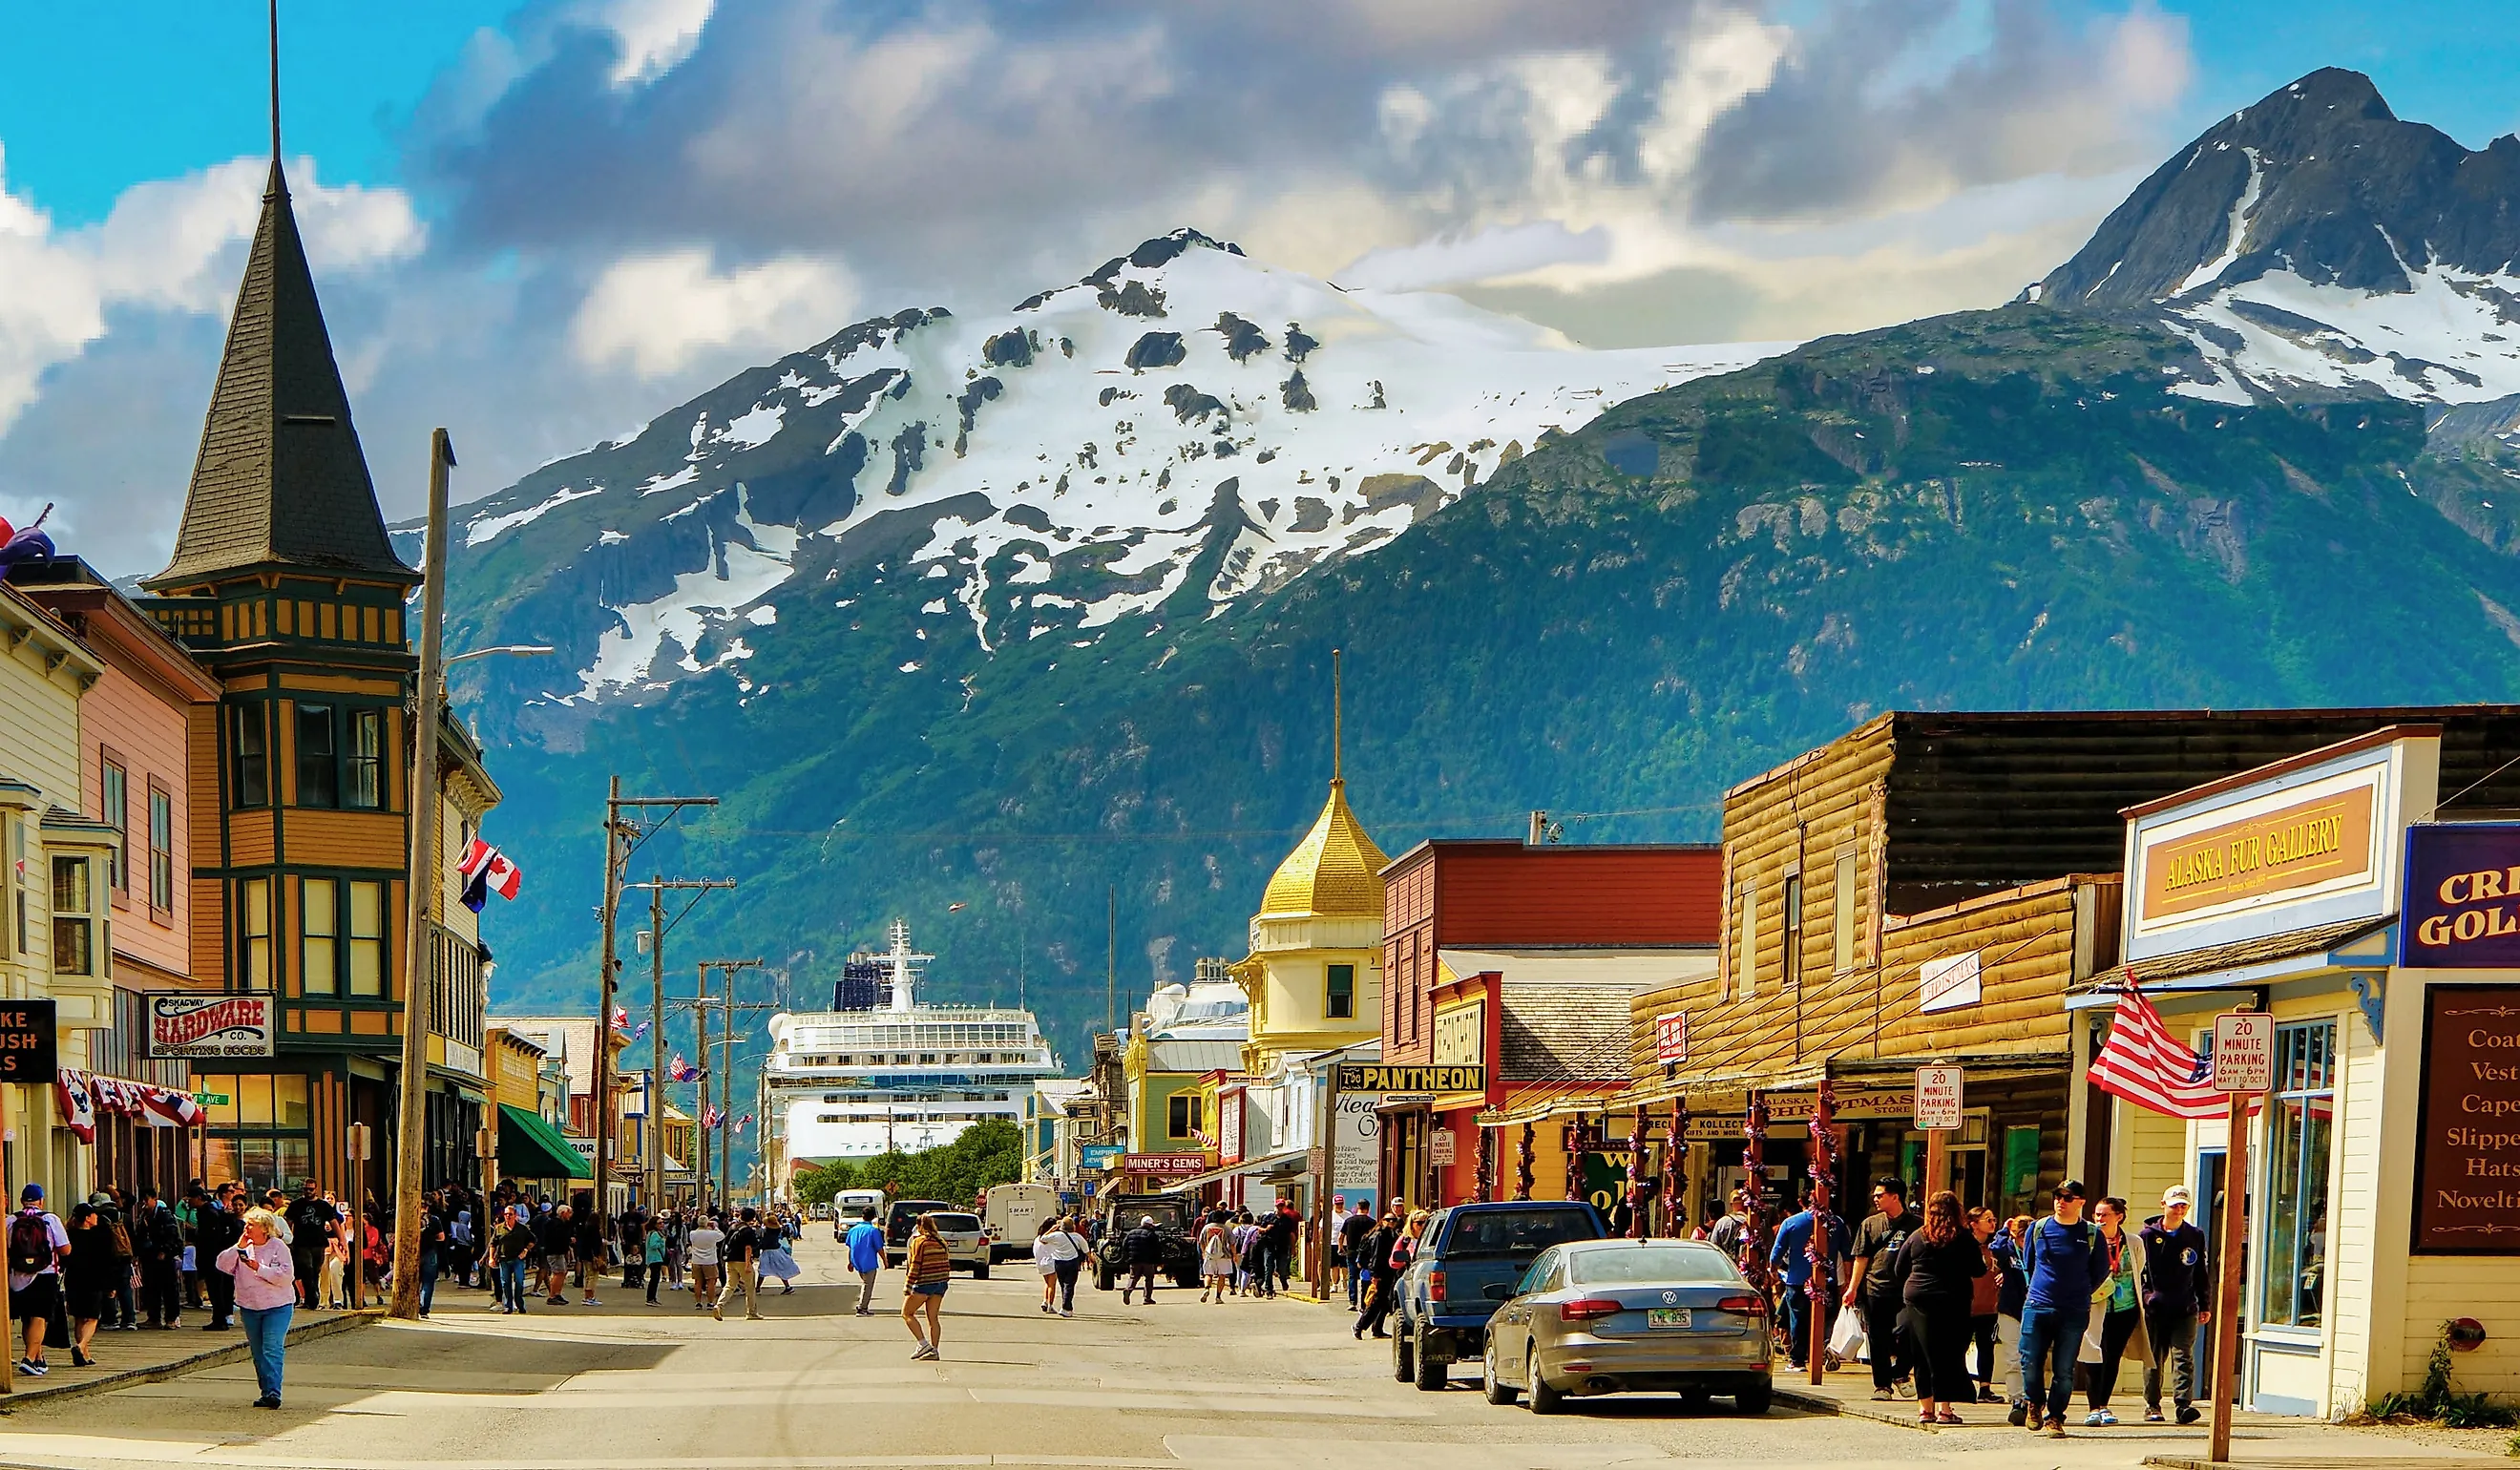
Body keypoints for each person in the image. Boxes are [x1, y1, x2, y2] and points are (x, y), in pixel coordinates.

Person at [2016, 1180, 2108, 1438]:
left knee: (2064, 1369)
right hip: (2038, 1304)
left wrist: (2079, 1291)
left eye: (2068, 1197)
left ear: (2080, 1202)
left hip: (2074, 1310)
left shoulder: (2092, 1234)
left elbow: (2100, 1270)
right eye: (2057, 1196)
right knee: (2030, 1360)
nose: (2061, 1201)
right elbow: (2029, 1264)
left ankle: (2055, 1416)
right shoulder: (2039, 1228)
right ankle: (2034, 1401)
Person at [1891, 1189, 1984, 1426]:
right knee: (1949, 1354)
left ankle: (1925, 1409)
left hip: (1918, 1298)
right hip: (1953, 1299)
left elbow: (1899, 1269)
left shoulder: (1917, 1236)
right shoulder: (1964, 1238)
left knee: (1922, 1353)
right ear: (1957, 1211)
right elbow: (1978, 1270)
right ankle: (1945, 1409)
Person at [1845, 1177, 1922, 1400]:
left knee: (1908, 1332)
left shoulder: (1916, 1225)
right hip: (1875, 1288)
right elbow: (1861, 1258)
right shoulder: (1870, 1224)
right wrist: (1852, 1289)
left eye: (1880, 1195)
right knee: (1878, 1339)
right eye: (1875, 1195)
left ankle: (1899, 1373)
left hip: (1906, 1290)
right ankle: (1882, 1385)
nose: (1875, 1198)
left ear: (1895, 1197)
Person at [2082, 1195, 2153, 1427]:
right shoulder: (2088, 1240)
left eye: (2104, 1214)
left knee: (2112, 1357)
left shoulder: (2133, 1242)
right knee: (2094, 1353)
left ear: (2119, 1217)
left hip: (2125, 1308)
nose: (2099, 1219)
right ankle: (2093, 1407)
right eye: (2096, 1214)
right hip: (2096, 1306)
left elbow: (2138, 1267)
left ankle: (2104, 1405)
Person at [2140, 1186, 2209, 1425]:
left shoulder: (2195, 1235)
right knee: (2154, 1359)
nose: (2179, 1210)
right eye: (2174, 1205)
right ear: (2163, 1205)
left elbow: (2200, 1272)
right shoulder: (2147, 1236)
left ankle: (2183, 1405)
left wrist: (2204, 1303)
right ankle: (2152, 1404)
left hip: (2185, 1307)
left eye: (2183, 1206)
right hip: (2156, 1308)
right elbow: (2139, 1272)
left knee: (2183, 1356)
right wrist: (2148, 1296)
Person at [219, 1208, 298, 1409]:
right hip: (250, 1306)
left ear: (264, 1228)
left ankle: (273, 1393)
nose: (247, 1228)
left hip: (278, 1306)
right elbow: (222, 1265)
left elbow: (286, 1277)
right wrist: (239, 1247)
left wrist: (258, 1268)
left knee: (272, 1348)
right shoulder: (243, 1247)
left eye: (251, 1225)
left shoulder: (279, 1247)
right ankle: (265, 1392)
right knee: (258, 1352)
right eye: (246, 1224)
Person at [1770, 1183, 1852, 1370]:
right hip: (1826, 1279)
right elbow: (1847, 1254)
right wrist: (1846, 1280)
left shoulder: (1791, 1223)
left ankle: (1798, 1360)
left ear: (1801, 1202)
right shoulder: (1836, 1223)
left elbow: (1777, 1252)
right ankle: (1825, 1349)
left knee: (1798, 1320)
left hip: (1797, 1280)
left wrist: (1773, 1271)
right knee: (1825, 1320)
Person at [195, 1183, 245, 1331]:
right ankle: (223, 1316)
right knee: (221, 1287)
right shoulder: (216, 1211)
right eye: (230, 1191)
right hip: (220, 1255)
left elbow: (211, 1236)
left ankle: (221, 1318)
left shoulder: (210, 1213)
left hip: (215, 1255)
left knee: (218, 1288)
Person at [1965, 1208, 2004, 1402]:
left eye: (1993, 1219)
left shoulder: (1995, 1248)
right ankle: (1961, 1385)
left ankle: (1985, 1388)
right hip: (1965, 1305)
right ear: (1973, 1224)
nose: (1992, 1223)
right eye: (1987, 1219)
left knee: (1986, 1346)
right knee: (1959, 1346)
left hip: (1989, 1306)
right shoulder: (1964, 1246)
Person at [901, 1214, 952, 1360]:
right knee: (933, 1318)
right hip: (940, 1283)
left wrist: (908, 1285)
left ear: (919, 1227)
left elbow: (915, 1265)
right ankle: (934, 1350)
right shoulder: (941, 1241)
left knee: (907, 1313)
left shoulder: (919, 1242)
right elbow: (946, 1263)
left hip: (924, 1283)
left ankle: (922, 1343)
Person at [134, 1187, 184, 1330]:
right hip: (148, 1255)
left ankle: (172, 1318)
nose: (144, 1204)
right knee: (151, 1287)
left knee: (169, 1288)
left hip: (164, 1255)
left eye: (146, 1200)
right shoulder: (143, 1216)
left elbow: (172, 1234)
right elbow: (140, 1236)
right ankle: (154, 1317)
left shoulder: (164, 1214)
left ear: (154, 1199)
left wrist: (165, 1250)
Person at [1352, 1206, 1404, 1339]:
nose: (1391, 1222)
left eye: (1393, 1220)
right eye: (1388, 1220)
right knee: (1376, 1302)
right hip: (1380, 1273)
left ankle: (1377, 1329)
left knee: (1386, 1302)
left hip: (1389, 1272)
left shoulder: (1391, 1235)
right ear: (1382, 1221)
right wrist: (1375, 1275)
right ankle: (1359, 1326)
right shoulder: (1379, 1235)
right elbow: (1376, 1257)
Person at [283, 1183, 334, 1309]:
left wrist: (342, 1240)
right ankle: (312, 1298)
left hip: (319, 1243)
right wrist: (286, 1239)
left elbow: (334, 1222)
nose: (308, 1191)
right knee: (307, 1269)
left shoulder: (323, 1205)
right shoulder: (296, 1205)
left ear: (316, 1189)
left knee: (315, 1271)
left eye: (311, 1189)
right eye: (306, 1189)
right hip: (301, 1243)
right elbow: (288, 1222)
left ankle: (311, 1298)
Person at [723, 1208, 765, 1321]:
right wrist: (747, 1265)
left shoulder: (732, 1227)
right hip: (743, 1260)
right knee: (750, 1287)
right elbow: (748, 1248)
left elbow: (725, 1242)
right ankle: (751, 1312)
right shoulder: (748, 1231)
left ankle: (719, 1306)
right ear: (752, 1218)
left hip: (730, 1260)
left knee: (730, 1285)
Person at [1043, 1214, 1088, 1317]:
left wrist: (1052, 1229)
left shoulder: (1057, 1235)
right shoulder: (1077, 1237)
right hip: (1072, 1263)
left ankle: (1066, 1307)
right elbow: (1086, 1251)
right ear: (1073, 1226)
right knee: (1069, 1285)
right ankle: (1066, 1308)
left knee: (1063, 1285)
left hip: (1059, 1263)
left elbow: (1043, 1239)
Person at [493, 1207, 535, 1313]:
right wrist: (491, 1258)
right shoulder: (499, 1228)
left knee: (519, 1282)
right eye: (506, 1214)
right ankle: (508, 1306)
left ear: (515, 1215)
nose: (508, 1216)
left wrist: (525, 1250)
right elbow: (493, 1244)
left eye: (510, 1214)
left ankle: (519, 1303)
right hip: (504, 1259)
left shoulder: (522, 1228)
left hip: (517, 1259)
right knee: (506, 1283)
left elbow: (532, 1240)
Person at [845, 1208, 884, 1316]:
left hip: (857, 1261)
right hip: (869, 1261)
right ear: (873, 1217)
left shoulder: (853, 1230)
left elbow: (851, 1247)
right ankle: (862, 1308)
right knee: (868, 1285)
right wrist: (885, 1261)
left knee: (865, 1283)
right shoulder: (873, 1231)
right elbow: (879, 1248)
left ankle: (863, 1306)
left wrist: (850, 1262)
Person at [1119, 1214, 1165, 1306]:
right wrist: (1159, 1261)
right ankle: (1147, 1298)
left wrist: (1127, 1258)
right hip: (1148, 1261)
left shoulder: (1130, 1233)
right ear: (1149, 1225)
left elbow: (1124, 1247)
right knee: (1149, 1278)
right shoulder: (1151, 1235)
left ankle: (1128, 1289)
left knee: (1133, 1277)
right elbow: (1157, 1249)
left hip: (1134, 1260)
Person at [1337, 1201, 1375, 1309]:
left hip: (1352, 1252)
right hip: (1367, 1253)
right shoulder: (1372, 1222)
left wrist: (1341, 1248)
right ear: (1368, 1208)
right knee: (1366, 1277)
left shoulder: (1349, 1221)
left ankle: (1353, 1301)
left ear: (1358, 1207)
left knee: (1352, 1276)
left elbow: (1340, 1236)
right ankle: (1365, 1302)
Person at [686, 1213, 725, 1313]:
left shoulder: (692, 1234)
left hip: (696, 1260)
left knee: (698, 1282)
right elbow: (722, 1236)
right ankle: (710, 1302)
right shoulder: (712, 1234)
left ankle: (698, 1302)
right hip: (710, 1260)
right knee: (711, 1282)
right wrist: (715, 1227)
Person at [1197, 1209, 1236, 1304]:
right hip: (1224, 1255)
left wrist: (1204, 1252)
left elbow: (1201, 1241)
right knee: (1221, 1276)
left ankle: (1207, 1289)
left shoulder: (1206, 1228)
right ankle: (1218, 1297)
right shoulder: (1226, 1229)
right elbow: (1232, 1243)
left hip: (1209, 1255)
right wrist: (1234, 1255)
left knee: (1208, 1274)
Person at [759, 1212, 801, 1295]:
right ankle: (788, 1287)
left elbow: (764, 1243)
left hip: (769, 1252)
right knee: (779, 1269)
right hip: (777, 1251)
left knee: (763, 1270)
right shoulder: (776, 1230)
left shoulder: (768, 1233)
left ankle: (757, 1288)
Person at [643, 1217, 668, 1305]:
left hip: (656, 1258)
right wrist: (662, 1241)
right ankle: (650, 1298)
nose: (662, 1224)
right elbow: (653, 1245)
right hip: (655, 1258)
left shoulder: (654, 1233)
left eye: (662, 1223)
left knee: (655, 1279)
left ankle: (652, 1298)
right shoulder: (654, 1234)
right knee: (654, 1279)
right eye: (659, 1223)